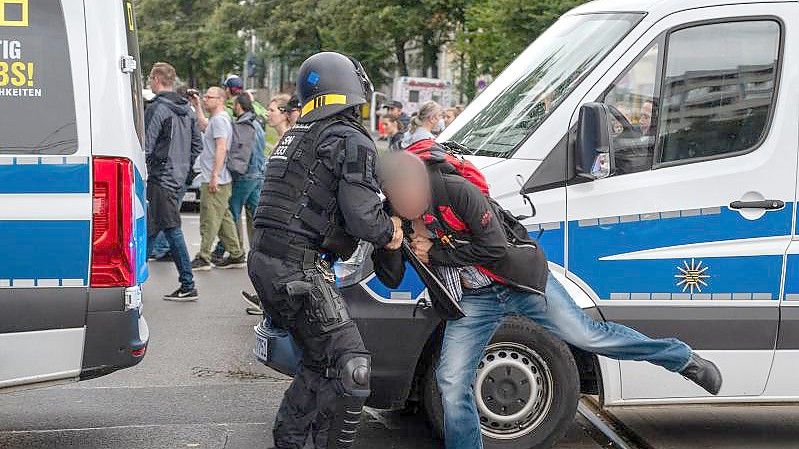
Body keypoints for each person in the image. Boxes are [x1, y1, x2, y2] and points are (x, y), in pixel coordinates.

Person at [374, 151, 724, 449]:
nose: (415, 201)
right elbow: (390, 276)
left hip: (521, 282)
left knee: (588, 335)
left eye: (419, 190)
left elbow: (494, 248)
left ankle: (680, 358)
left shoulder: (455, 190)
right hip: (473, 300)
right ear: (391, 193)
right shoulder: (396, 214)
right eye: (404, 196)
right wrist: (391, 241)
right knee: (450, 381)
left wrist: (437, 253)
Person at [247, 51, 404, 449]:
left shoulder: (296, 135)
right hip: (299, 270)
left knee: (319, 363)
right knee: (351, 367)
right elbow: (365, 221)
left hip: (268, 264)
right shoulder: (349, 140)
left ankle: (294, 440)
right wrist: (393, 232)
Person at [143, 62, 202, 301]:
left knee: (169, 229)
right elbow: (197, 144)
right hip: (178, 179)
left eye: (150, 78)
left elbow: (146, 144)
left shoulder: (157, 108)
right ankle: (133, 281)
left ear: (157, 79)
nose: (149, 81)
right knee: (151, 229)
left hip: (160, 178)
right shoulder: (187, 110)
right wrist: (185, 172)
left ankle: (188, 284)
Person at [188, 86, 247, 271]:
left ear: (220, 99)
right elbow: (204, 126)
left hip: (215, 179)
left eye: (209, 97)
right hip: (219, 179)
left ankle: (204, 256)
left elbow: (222, 148)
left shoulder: (220, 121)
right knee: (223, 219)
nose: (205, 99)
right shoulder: (217, 119)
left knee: (210, 218)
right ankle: (237, 254)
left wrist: (214, 175)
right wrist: (197, 106)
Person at [210, 94, 267, 264]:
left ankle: (223, 250)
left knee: (231, 213)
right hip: (258, 174)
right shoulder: (257, 123)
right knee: (255, 215)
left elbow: (239, 152)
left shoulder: (242, 125)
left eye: (234, 105)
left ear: (239, 106)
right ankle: (262, 251)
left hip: (245, 175)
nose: (232, 108)